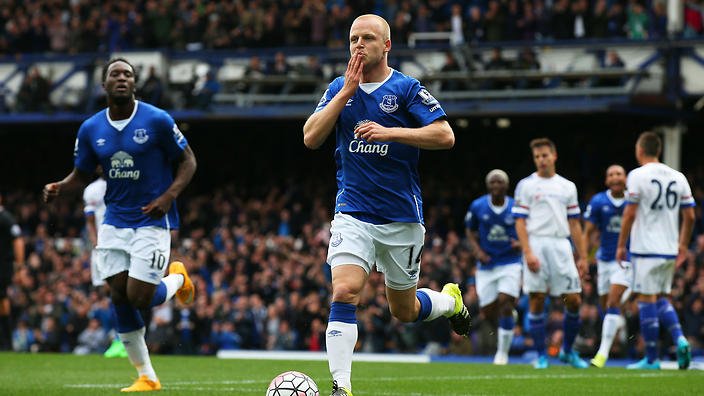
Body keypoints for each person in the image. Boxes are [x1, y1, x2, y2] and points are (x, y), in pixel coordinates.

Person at [302, 14, 469, 396]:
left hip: (401, 217)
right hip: (353, 213)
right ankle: (341, 387)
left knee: (404, 311)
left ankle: (448, 301)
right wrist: (345, 93)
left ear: (387, 45)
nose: (358, 45)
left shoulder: (407, 89)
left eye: (367, 38)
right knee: (344, 291)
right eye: (353, 38)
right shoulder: (337, 89)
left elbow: (446, 135)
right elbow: (310, 137)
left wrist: (391, 131)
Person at [42, 58, 197, 391]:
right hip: (114, 221)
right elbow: (82, 174)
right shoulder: (91, 129)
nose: (122, 78)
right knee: (117, 295)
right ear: (105, 85)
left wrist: (169, 196)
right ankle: (147, 377)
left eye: (128, 74)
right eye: (116, 74)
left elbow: (188, 161)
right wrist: (60, 187)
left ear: (135, 84)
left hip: (151, 220)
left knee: (140, 297)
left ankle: (177, 279)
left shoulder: (157, 119)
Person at [616, 131, 695, 370]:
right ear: (659, 150)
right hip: (669, 249)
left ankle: (651, 359)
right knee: (661, 297)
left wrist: (621, 244)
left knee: (646, 299)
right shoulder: (678, 176)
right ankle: (680, 339)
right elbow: (690, 216)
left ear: (640, 150)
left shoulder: (637, 175)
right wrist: (682, 244)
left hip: (645, 248)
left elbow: (630, 213)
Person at [512, 138, 589, 369]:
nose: (541, 160)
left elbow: (575, 224)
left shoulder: (567, 186)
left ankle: (567, 351)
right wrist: (527, 252)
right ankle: (541, 356)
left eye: (545, 155)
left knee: (573, 299)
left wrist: (583, 256)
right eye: (537, 157)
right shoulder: (526, 185)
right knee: (537, 299)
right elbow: (520, 222)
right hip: (536, 244)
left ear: (554, 156)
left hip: (561, 245)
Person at [465, 169, 521, 365]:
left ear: (506, 186)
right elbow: (470, 231)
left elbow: (527, 228)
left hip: (510, 262)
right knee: (488, 313)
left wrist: (521, 244)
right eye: (492, 183)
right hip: (486, 265)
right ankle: (508, 315)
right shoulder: (478, 206)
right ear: (488, 186)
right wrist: (478, 251)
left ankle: (502, 353)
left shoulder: (516, 207)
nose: (496, 186)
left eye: (499, 183)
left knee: (505, 303)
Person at [584, 165, 633, 368]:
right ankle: (619, 323)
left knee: (613, 302)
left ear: (625, 178)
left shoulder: (634, 199)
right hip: (604, 260)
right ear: (606, 180)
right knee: (607, 308)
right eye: (611, 174)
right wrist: (584, 259)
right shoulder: (598, 201)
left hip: (627, 259)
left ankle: (601, 354)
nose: (615, 177)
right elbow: (588, 232)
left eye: (619, 174)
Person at [83, 169, 128, 358]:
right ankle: (119, 338)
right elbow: (90, 221)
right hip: (103, 247)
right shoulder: (92, 190)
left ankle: (126, 338)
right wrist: (96, 243)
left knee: (125, 289)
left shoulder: (126, 182)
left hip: (123, 243)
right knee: (109, 291)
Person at [0, 192, 24, 350]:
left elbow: (18, 241)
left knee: (2, 298)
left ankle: (6, 342)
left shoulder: (5, 218)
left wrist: (20, 267)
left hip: (2, 266)